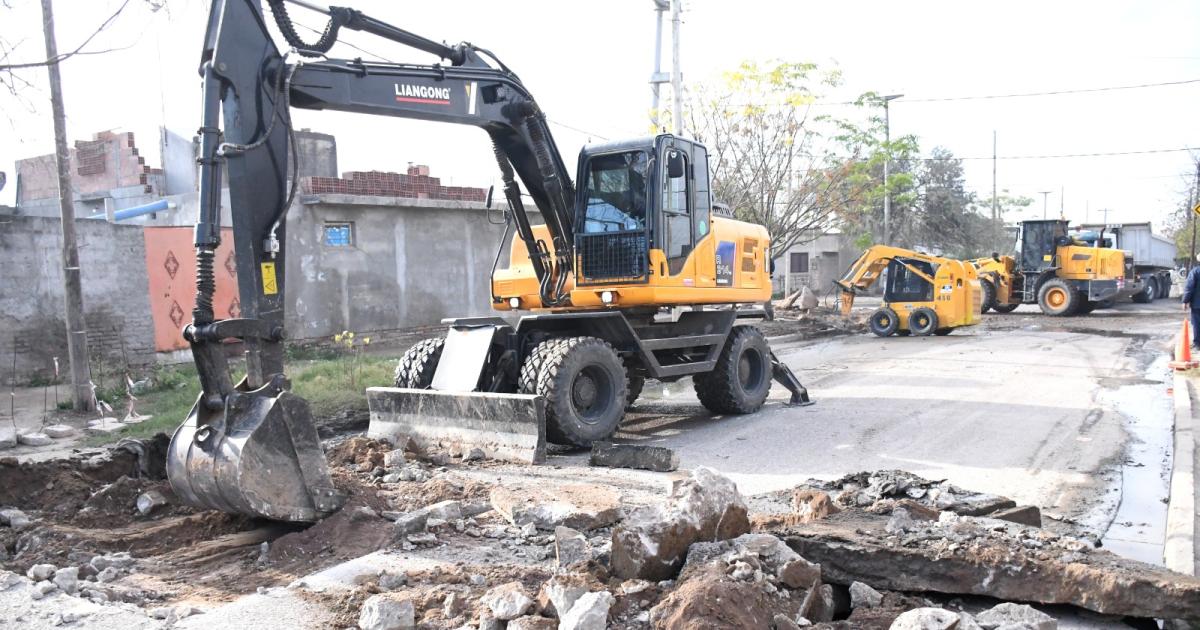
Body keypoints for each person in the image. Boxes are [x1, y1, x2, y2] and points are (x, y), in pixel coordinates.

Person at [1182, 254, 1200, 349]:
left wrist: (1185, 301)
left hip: (1197, 304)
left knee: (1197, 323)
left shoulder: (1195, 272)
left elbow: (1189, 288)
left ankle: (1197, 344)